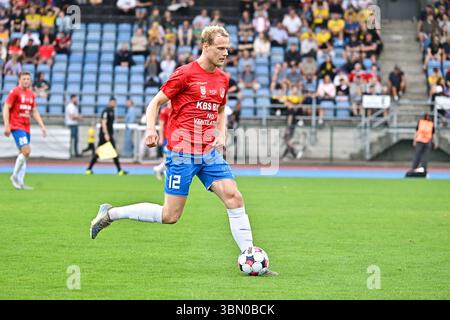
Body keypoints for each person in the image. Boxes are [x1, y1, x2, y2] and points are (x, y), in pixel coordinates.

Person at [89, 26, 278, 276]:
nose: (225, 52)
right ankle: (111, 213)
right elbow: (155, 102)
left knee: (234, 197)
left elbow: (220, 109)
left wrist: (221, 132)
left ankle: (250, 256)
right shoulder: (185, 74)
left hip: (208, 151)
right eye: (220, 48)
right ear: (206, 46)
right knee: (170, 215)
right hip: (182, 151)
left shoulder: (223, 78)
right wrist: (150, 129)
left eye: (227, 48)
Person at [2, 71, 47, 190]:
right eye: (24, 79)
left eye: (28, 79)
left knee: (22, 154)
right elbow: (6, 107)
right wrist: (7, 125)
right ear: (19, 80)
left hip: (26, 126)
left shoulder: (31, 94)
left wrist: (42, 125)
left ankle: (20, 182)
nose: (26, 81)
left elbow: (34, 111)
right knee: (27, 151)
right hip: (16, 126)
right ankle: (14, 176)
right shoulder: (15, 92)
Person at [85, 97, 128, 175]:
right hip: (105, 135)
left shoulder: (112, 111)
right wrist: (106, 134)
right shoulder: (106, 111)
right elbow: (103, 123)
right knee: (110, 152)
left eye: (115, 103)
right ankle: (119, 170)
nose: (114, 104)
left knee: (105, 152)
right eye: (113, 102)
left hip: (108, 134)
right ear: (110, 102)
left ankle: (89, 169)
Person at [153, 101, 172, 180]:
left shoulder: (174, 110)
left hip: (173, 137)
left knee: (170, 158)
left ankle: (159, 170)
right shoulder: (164, 111)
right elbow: (161, 125)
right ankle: (161, 171)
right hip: (167, 138)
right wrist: (161, 138)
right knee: (167, 158)